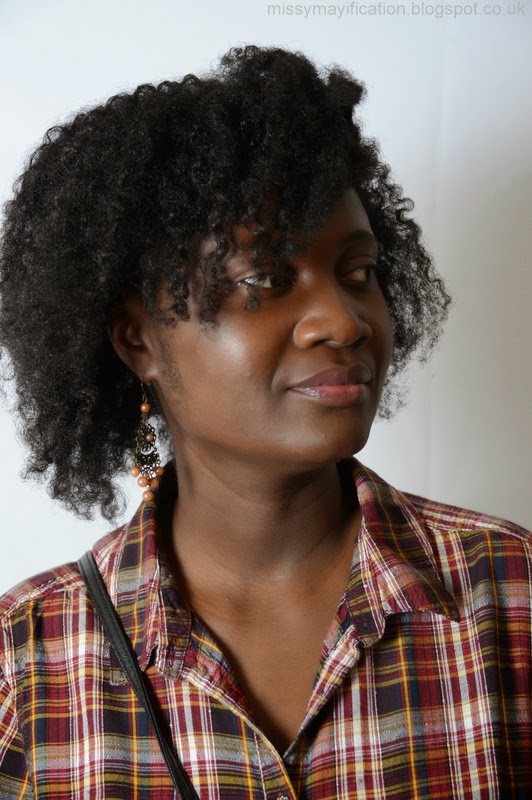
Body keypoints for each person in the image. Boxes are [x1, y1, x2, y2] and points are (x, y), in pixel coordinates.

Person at [0, 44, 530, 800]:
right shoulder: (25, 662)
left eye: (359, 273)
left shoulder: (512, 596)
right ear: (138, 340)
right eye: (267, 279)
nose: (342, 322)